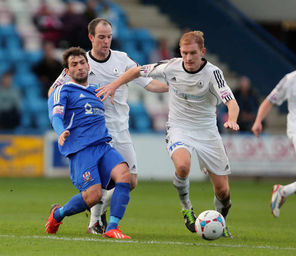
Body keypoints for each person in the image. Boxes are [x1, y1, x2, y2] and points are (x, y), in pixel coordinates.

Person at [96, 31, 240, 237]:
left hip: (207, 132)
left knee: (223, 192)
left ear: (203, 52)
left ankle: (220, 222)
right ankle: (186, 208)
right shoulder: (170, 66)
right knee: (182, 166)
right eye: (184, 53)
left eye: (193, 53)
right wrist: (113, 85)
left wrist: (232, 119)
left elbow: (231, 102)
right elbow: (136, 71)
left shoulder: (213, 73)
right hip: (179, 127)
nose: (188, 58)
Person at [49, 18, 168, 234]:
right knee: (104, 183)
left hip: (120, 129)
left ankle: (98, 212)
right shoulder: (81, 63)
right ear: (91, 38)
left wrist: (173, 88)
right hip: (94, 133)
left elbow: (149, 83)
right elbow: (53, 93)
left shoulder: (122, 60)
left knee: (130, 181)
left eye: (109, 37)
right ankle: (96, 221)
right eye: (101, 37)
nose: (106, 41)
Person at [46, 46, 131, 239]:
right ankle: (58, 214)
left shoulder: (97, 90)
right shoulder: (63, 90)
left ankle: (112, 227)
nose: (79, 67)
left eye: (82, 62)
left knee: (125, 176)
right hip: (82, 150)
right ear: (67, 72)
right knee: (93, 197)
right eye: (74, 65)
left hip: (103, 145)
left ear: (88, 65)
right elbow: (56, 115)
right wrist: (61, 132)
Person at [251, 69, 296, 218]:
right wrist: (258, 121)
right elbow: (269, 100)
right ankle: (285, 191)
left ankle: (284, 191)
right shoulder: (291, 79)